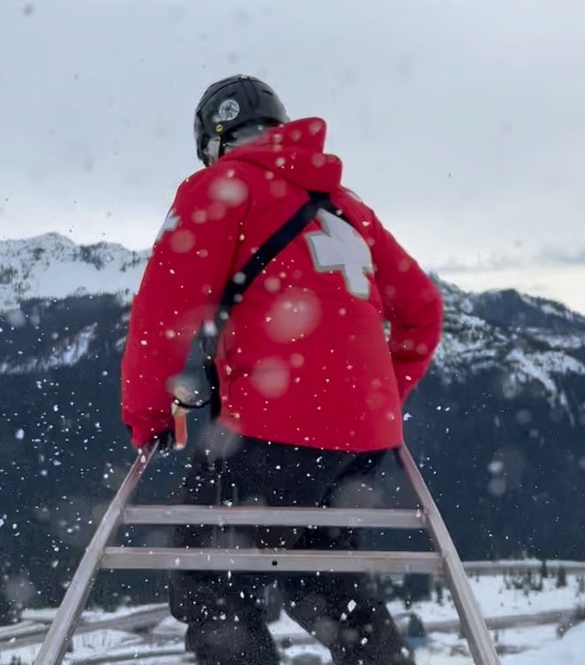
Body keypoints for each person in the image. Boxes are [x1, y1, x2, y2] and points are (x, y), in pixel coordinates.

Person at [120, 74, 444, 665]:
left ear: (214, 141)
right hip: (363, 442)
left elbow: (163, 312)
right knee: (326, 577)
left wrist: (147, 415)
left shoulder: (219, 187)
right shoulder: (346, 207)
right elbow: (422, 310)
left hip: (273, 424)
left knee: (208, 576)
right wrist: (379, 396)